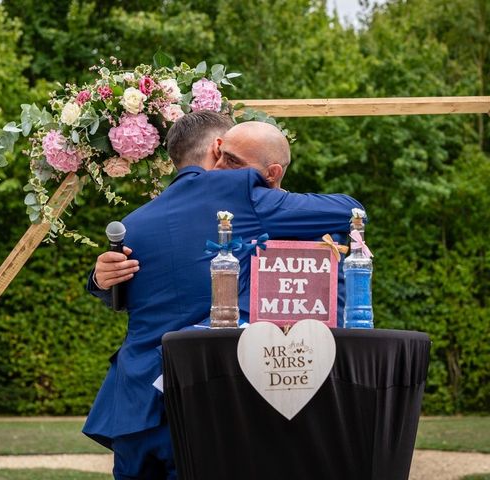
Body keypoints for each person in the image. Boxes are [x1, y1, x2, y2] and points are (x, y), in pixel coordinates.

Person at [83, 111, 364, 479]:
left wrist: (97, 281)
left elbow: (121, 295)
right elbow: (350, 211)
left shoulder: (133, 222)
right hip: (205, 394)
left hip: (134, 405)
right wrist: (272, 190)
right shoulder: (241, 193)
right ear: (217, 147)